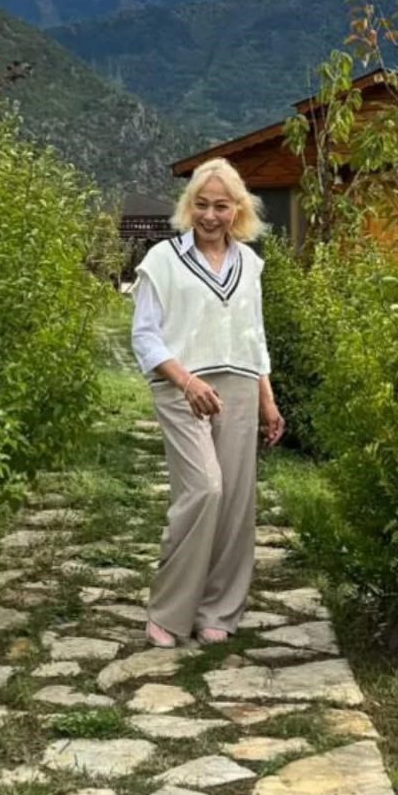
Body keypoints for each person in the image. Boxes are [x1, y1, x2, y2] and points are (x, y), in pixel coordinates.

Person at [131, 156, 284, 647]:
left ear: (237, 209)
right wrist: (186, 383)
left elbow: (254, 337)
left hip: (239, 387)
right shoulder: (162, 261)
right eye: (202, 205)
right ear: (188, 206)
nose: (211, 216)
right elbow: (146, 338)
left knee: (236, 503)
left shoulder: (250, 264)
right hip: (183, 387)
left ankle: (219, 609)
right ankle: (170, 611)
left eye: (221, 206)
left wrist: (268, 399)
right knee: (205, 490)